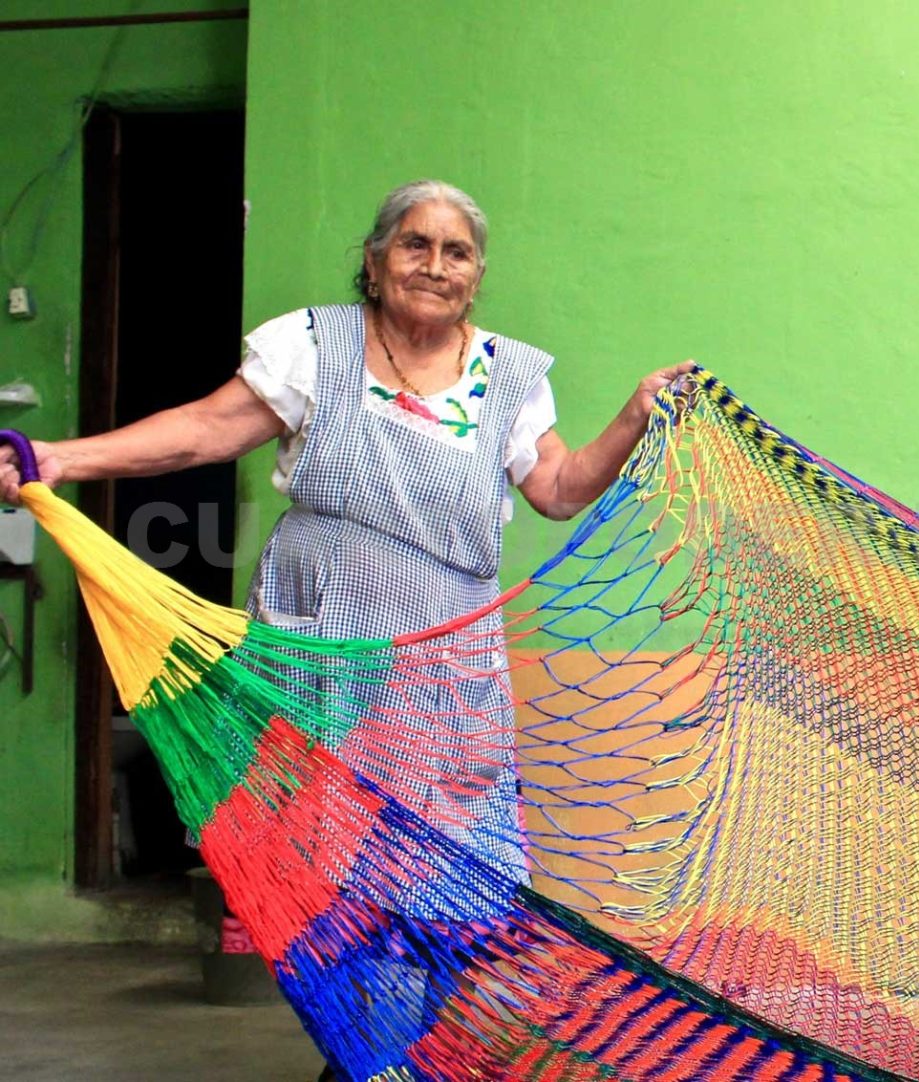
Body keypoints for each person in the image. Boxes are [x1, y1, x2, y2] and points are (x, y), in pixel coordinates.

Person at [0, 178, 692, 1078]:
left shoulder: (511, 376)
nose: (434, 266)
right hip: (323, 649)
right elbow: (205, 431)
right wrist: (59, 457)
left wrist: (634, 417)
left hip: (445, 666)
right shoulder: (314, 345)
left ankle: (394, 1055)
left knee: (452, 879)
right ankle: (362, 1056)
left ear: (477, 276)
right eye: (414, 244)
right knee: (336, 873)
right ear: (374, 261)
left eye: (456, 252)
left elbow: (558, 490)